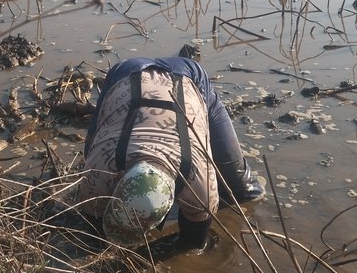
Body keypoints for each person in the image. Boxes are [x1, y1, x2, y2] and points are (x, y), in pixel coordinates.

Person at [77, 57, 264, 250]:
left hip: (188, 78)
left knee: (243, 190)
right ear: (116, 178)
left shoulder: (202, 190)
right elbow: (95, 231)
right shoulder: (96, 174)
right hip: (125, 76)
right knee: (92, 151)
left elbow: (194, 243)